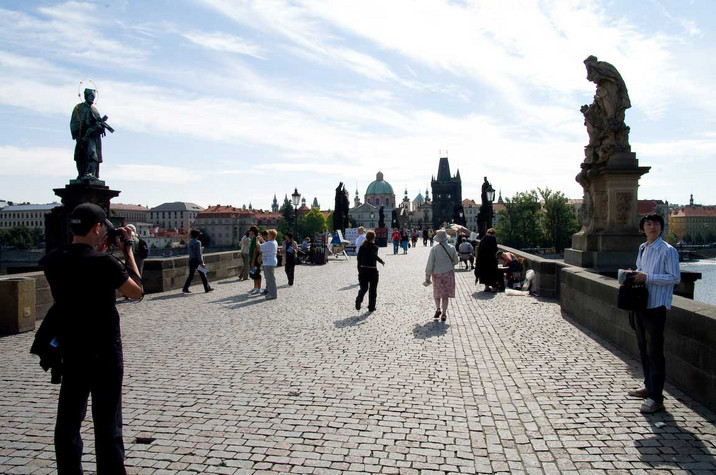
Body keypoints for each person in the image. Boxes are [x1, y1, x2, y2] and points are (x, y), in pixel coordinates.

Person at [43, 202, 142, 474]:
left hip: (71, 349)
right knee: (107, 422)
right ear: (98, 227)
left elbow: (75, 274)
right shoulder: (105, 263)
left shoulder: (53, 260)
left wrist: (95, 250)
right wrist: (128, 249)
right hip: (105, 352)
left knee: (68, 421)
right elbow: (136, 291)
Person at [626, 214, 680, 414]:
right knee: (643, 348)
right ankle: (648, 386)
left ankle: (656, 397)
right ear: (643, 228)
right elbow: (642, 271)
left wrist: (648, 277)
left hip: (656, 306)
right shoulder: (643, 248)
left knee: (655, 352)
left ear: (661, 228)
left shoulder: (668, 251)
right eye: (648, 224)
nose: (652, 226)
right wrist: (633, 274)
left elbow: (674, 277)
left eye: (656, 224)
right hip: (641, 304)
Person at [70, 88, 110, 180]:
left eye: (94, 96)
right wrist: (79, 135)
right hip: (83, 136)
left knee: (92, 154)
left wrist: (100, 127)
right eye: (91, 96)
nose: (92, 98)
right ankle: (82, 173)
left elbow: (100, 124)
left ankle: (90, 173)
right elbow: (75, 122)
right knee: (80, 156)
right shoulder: (79, 108)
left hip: (93, 137)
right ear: (86, 96)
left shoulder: (95, 110)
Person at [425, 229, 458, 322]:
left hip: (437, 273)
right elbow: (456, 261)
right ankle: (444, 313)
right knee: (445, 295)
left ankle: (438, 308)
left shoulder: (434, 249)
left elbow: (430, 263)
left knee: (437, 292)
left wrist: (427, 276)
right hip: (448, 273)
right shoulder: (451, 248)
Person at [355, 230, 384, 313]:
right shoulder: (375, 247)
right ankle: (371, 307)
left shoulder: (361, 247)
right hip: (372, 270)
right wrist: (381, 261)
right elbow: (374, 256)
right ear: (374, 238)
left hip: (363, 270)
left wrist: (360, 270)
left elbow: (358, 260)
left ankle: (359, 298)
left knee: (363, 288)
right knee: (373, 290)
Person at [260, 229, 278, 299]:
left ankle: (273, 294)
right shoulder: (274, 242)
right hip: (270, 262)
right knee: (269, 279)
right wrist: (262, 241)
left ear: (271, 235)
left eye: (268, 234)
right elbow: (265, 245)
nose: (267, 235)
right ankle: (270, 293)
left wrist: (256, 241)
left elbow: (260, 247)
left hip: (269, 262)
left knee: (270, 279)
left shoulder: (270, 243)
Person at [248, 226, 263, 295]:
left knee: (257, 274)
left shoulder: (255, 239)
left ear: (253, 232)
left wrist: (253, 261)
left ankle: (258, 288)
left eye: (250, 231)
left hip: (255, 259)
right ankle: (255, 287)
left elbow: (255, 250)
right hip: (252, 259)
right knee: (254, 273)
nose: (249, 232)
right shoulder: (253, 239)